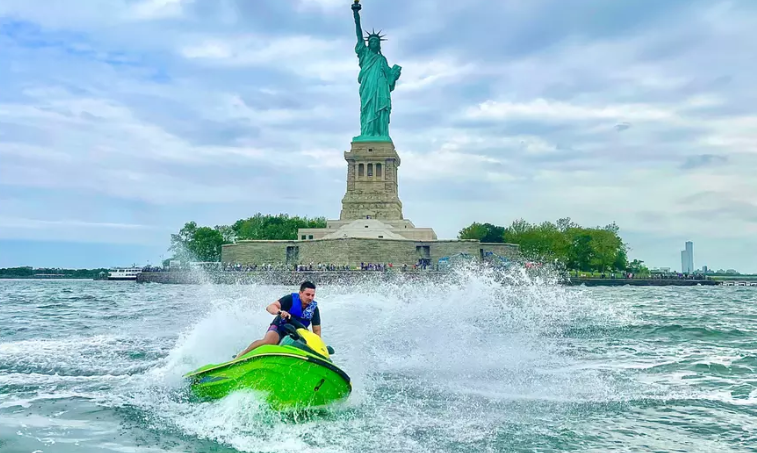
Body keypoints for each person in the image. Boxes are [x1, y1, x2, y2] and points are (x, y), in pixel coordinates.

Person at [234, 281, 321, 358]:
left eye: (312, 295)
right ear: (300, 293)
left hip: (297, 334)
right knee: (269, 341)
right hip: (280, 326)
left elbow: (317, 332)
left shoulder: (314, 310)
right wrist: (280, 312)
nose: (310, 298)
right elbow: (270, 307)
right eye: (308, 294)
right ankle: (241, 356)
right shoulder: (290, 299)